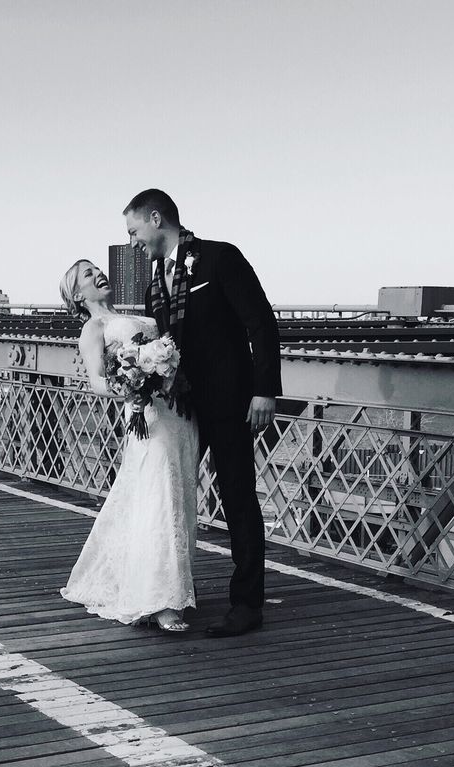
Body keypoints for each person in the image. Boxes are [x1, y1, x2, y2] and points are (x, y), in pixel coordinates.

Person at [124, 189, 281, 637]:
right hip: (183, 408)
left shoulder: (219, 258)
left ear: (157, 218)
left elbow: (261, 324)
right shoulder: (156, 278)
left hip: (231, 402)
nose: (134, 242)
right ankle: (162, 592)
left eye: (135, 232)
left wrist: (264, 391)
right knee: (170, 497)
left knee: (237, 498)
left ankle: (247, 605)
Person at [58, 260, 198, 632]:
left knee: (179, 490)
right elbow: (98, 383)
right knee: (159, 495)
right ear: (77, 294)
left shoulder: (139, 315)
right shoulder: (94, 328)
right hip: (147, 414)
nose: (99, 274)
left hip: (177, 412)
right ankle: (162, 600)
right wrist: (131, 386)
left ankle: (173, 584)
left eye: (97, 269)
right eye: (88, 275)